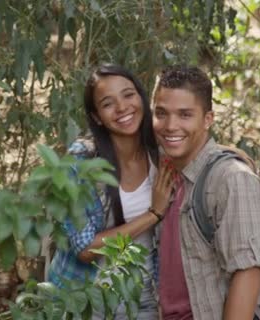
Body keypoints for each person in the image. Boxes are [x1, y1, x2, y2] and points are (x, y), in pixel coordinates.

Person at [47, 64, 174, 319]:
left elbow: (198, 143)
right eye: (108, 104)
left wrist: (234, 156)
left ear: (141, 96)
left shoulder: (161, 152)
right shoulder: (81, 162)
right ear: (96, 116)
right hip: (85, 298)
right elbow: (85, 249)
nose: (122, 108)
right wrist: (152, 214)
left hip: (143, 298)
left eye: (128, 95)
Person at [152, 65, 260, 320]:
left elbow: (247, 272)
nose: (171, 125)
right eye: (162, 113)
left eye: (185, 115)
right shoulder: (167, 169)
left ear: (208, 119)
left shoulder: (232, 179)